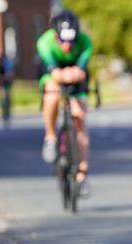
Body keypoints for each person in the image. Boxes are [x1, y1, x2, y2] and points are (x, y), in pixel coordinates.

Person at [37, 11, 94, 189]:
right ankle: (50, 137)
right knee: (52, 96)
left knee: (79, 118)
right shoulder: (45, 42)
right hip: (54, 72)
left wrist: (75, 74)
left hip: (76, 73)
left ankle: (82, 171)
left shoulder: (85, 42)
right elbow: (53, 72)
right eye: (62, 40)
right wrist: (61, 75)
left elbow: (81, 71)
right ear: (55, 35)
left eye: (71, 40)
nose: (67, 45)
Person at [0, 52, 15, 127]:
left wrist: (8, 78)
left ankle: (7, 115)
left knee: (7, 100)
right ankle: (4, 115)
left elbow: (11, 74)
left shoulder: (7, 64)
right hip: (2, 86)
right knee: (3, 100)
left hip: (6, 85)